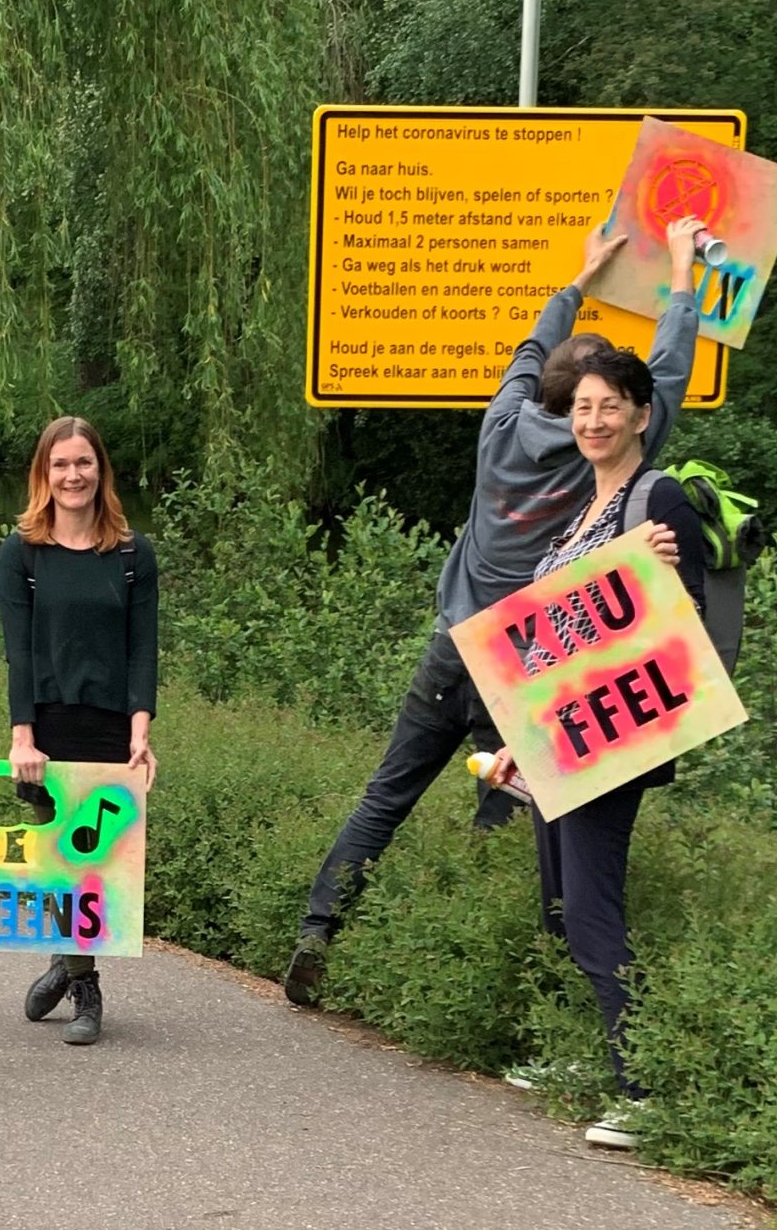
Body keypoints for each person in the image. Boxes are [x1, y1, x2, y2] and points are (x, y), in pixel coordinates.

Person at [282, 215, 707, 1008]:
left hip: (451, 647)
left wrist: (579, 283)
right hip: (526, 667)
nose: (597, 416)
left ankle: (318, 928)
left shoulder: (501, 423)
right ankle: (482, 971)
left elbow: (527, 352)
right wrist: (681, 275)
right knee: (511, 814)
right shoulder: (603, 453)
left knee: (386, 794)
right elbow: (669, 372)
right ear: (591, 403)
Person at [499, 342, 707, 1152]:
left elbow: (670, 628)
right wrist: (521, 736)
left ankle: (645, 1089)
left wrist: (647, 573)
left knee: (592, 907)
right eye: (581, 407)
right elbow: (552, 642)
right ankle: (574, 1060)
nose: (592, 420)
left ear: (641, 415)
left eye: (608, 406)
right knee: (557, 905)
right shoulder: (581, 511)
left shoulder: (657, 501)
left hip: (612, 739)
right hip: (558, 736)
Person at [0, 415, 158, 1046]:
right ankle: (71, 966)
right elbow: (19, 653)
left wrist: (141, 731)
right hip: (48, 721)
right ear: (45, 473)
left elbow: (143, 647)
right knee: (55, 860)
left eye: (83, 463)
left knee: (94, 861)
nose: (73, 475)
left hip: (111, 724)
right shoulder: (23, 551)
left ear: (100, 471)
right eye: (60, 464)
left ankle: (83, 984)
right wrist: (21, 736)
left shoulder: (130, 552)